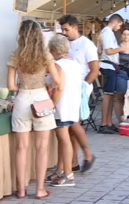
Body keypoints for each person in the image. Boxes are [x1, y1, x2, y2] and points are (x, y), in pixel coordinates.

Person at [7, 20, 61, 199]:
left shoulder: (16, 55)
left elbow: (10, 86)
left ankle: (21, 189)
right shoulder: (45, 55)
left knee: (21, 148)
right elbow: (57, 81)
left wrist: (23, 85)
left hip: (22, 98)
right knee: (42, 148)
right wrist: (48, 85)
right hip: (42, 99)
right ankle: (39, 190)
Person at [58, 15, 97, 173]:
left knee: (72, 121)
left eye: (66, 29)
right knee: (69, 126)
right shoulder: (65, 44)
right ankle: (72, 161)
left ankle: (87, 153)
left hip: (80, 87)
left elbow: (94, 70)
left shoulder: (87, 45)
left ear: (75, 27)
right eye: (62, 29)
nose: (64, 32)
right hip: (66, 87)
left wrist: (84, 86)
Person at [46, 35, 82, 187]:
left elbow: (59, 87)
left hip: (62, 106)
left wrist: (52, 104)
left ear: (54, 50)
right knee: (63, 139)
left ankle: (68, 174)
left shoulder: (59, 65)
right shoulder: (75, 63)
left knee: (63, 139)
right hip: (73, 105)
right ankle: (61, 170)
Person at [99, 14, 125, 134]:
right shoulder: (107, 32)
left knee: (111, 95)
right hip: (108, 65)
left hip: (111, 66)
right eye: (119, 25)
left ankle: (109, 122)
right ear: (116, 22)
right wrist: (121, 49)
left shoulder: (108, 33)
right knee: (108, 95)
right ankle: (104, 123)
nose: (119, 28)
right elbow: (108, 51)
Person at [115, 28, 129, 124]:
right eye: (124, 34)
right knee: (120, 97)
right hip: (122, 73)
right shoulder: (118, 47)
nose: (126, 36)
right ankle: (120, 121)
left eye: (128, 34)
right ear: (121, 36)